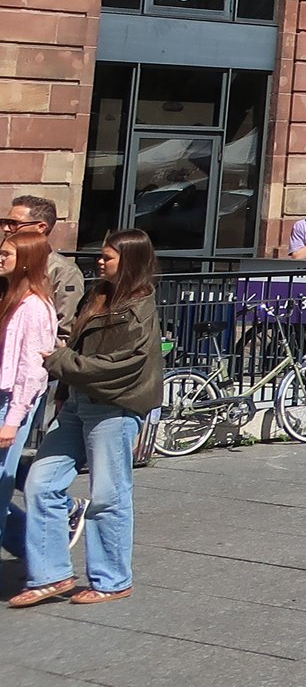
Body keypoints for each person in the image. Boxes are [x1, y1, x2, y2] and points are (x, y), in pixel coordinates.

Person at [13, 229, 160, 607]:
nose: (99, 261)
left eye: (107, 257)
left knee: (108, 495)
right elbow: (81, 347)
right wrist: (64, 391)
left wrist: (60, 362)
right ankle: (50, 575)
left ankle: (112, 580)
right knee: (41, 483)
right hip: (79, 403)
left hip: (113, 408)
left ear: (129, 261)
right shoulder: (99, 295)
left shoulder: (137, 309)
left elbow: (121, 365)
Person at [0, 235, 53, 549]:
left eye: (6, 254)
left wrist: (12, 420)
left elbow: (32, 370)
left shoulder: (34, 307)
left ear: (25, 261)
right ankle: (34, 551)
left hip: (9, 402)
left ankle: (39, 549)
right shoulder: (11, 298)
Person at [4, 199, 81, 334]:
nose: (6, 228)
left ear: (41, 227)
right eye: (5, 222)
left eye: (14, 223)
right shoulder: (5, 265)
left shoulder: (63, 271)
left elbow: (63, 329)